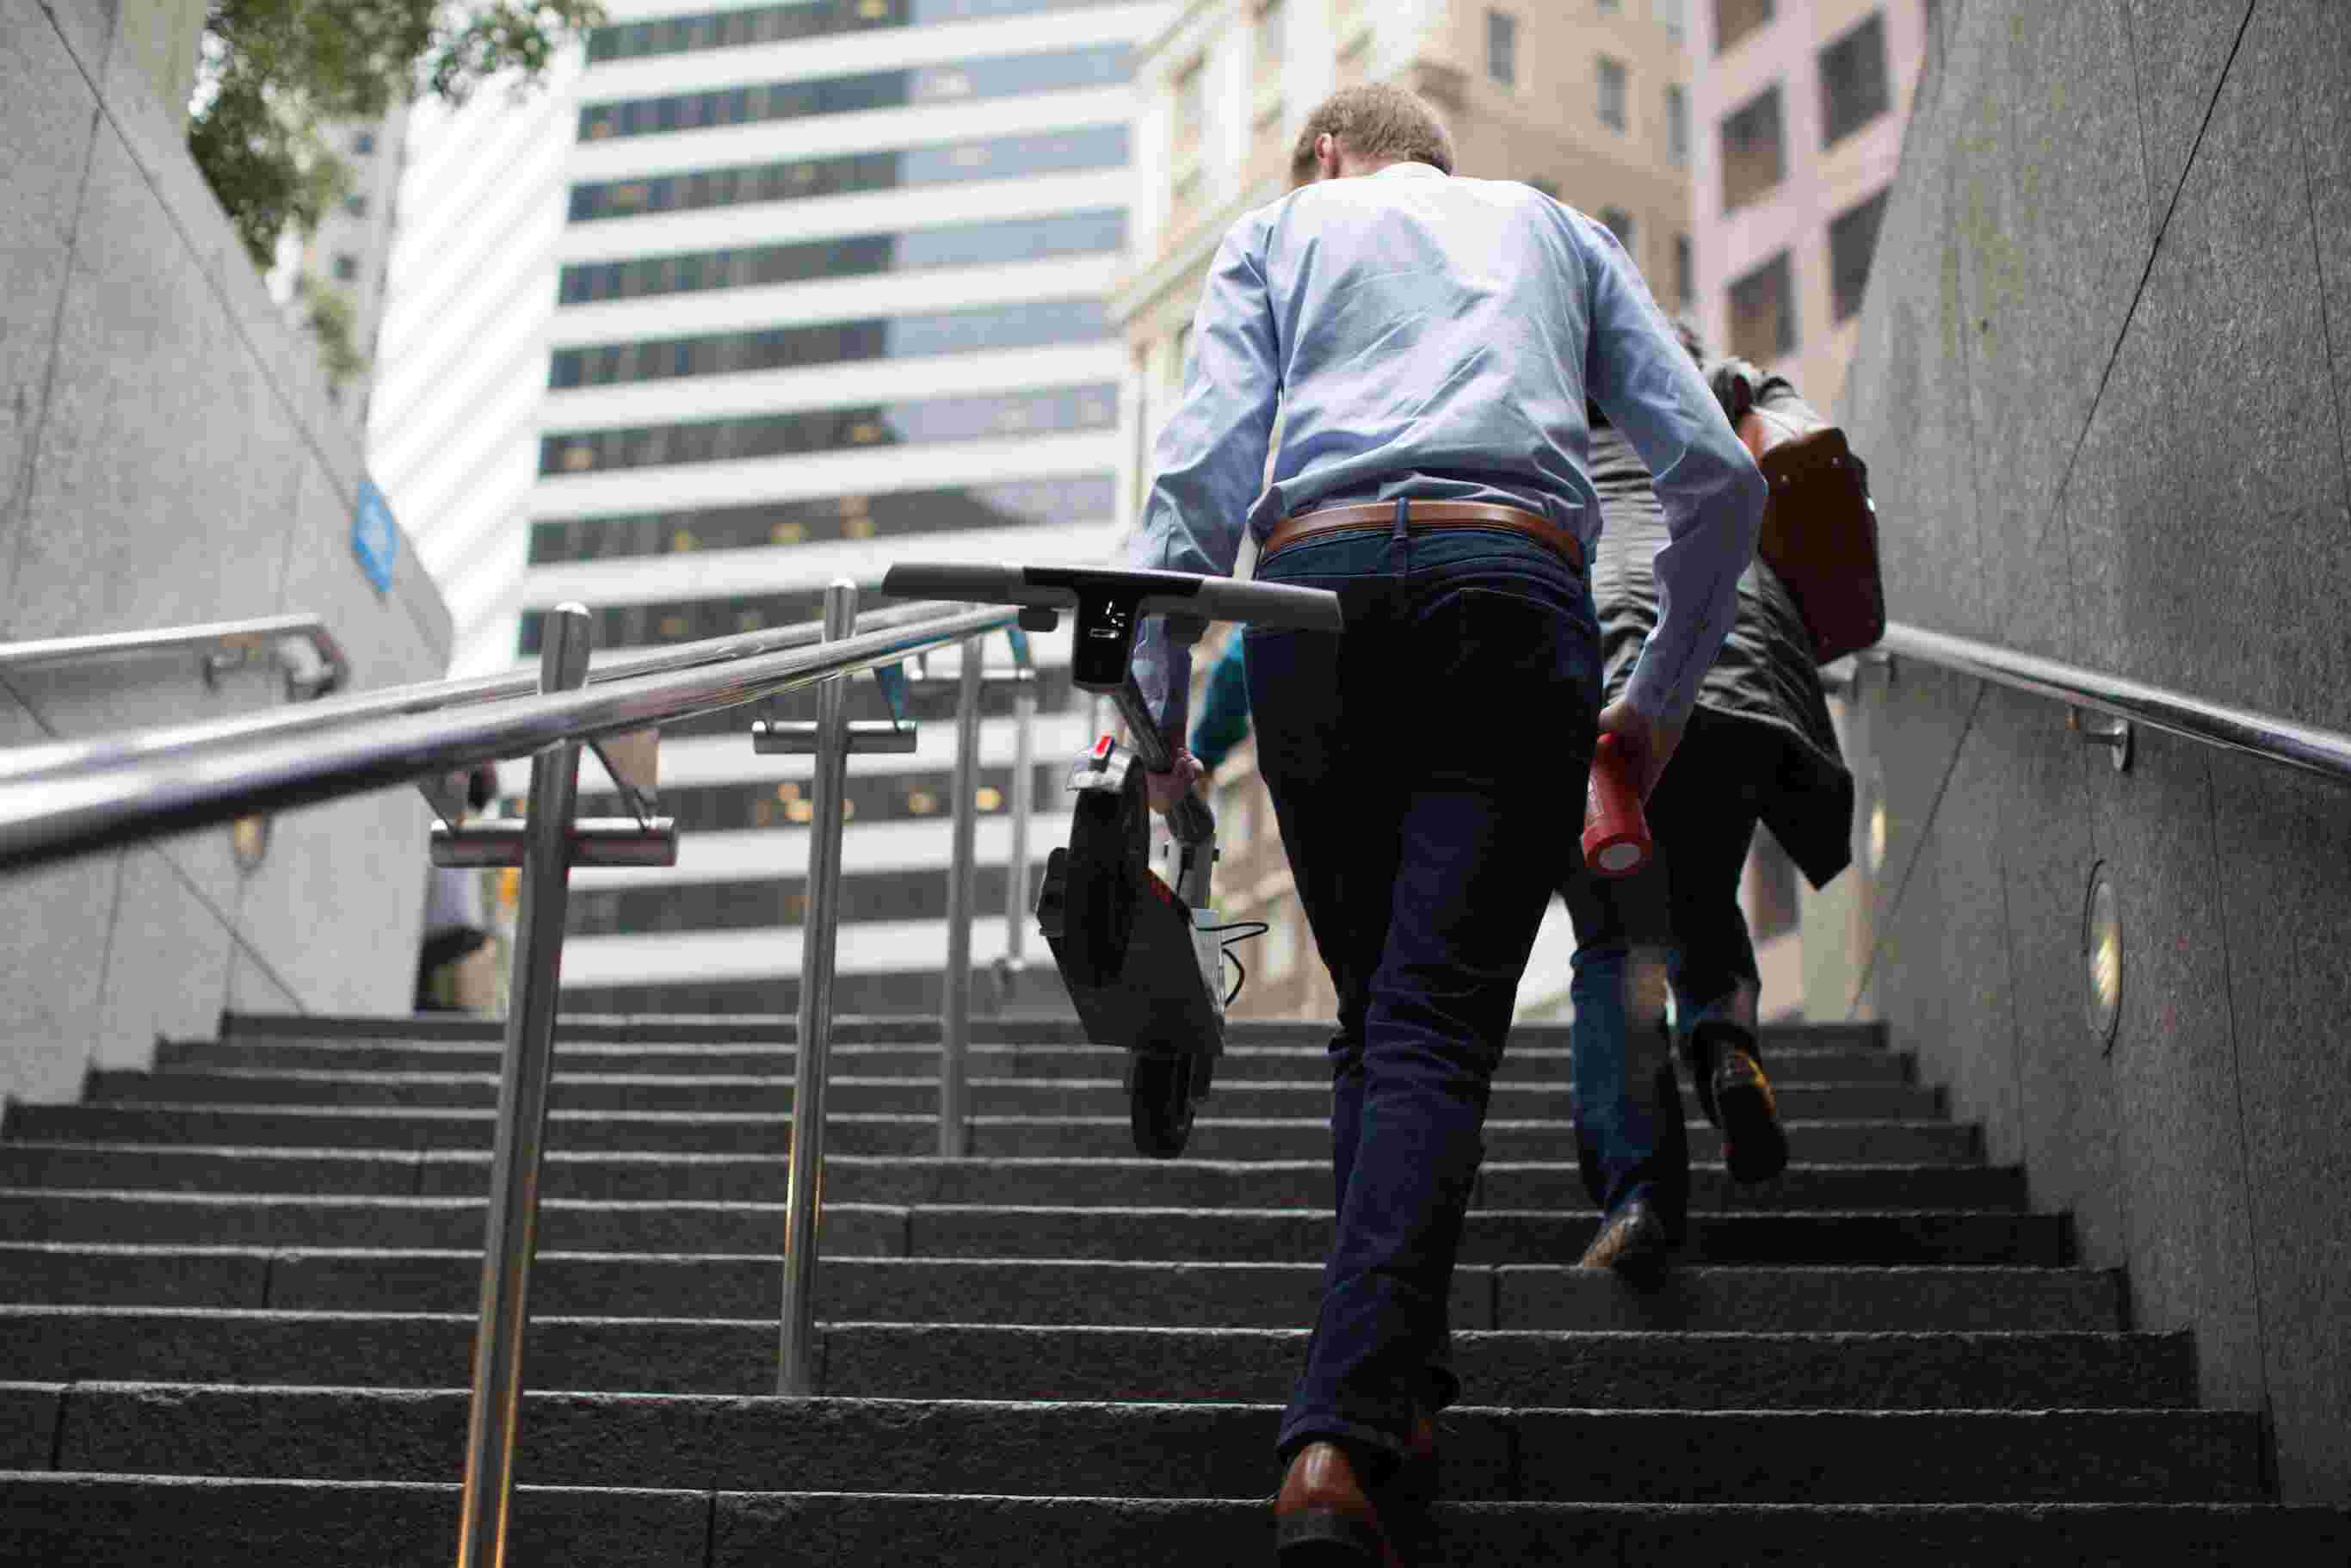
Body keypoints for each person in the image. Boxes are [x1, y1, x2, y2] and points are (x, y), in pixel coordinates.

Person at [1123, 83, 1766, 1565]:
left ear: (1332, 152)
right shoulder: (1557, 232)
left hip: (1310, 601)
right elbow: (1716, 480)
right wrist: (1657, 695)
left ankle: (1354, 1417)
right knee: (1415, 1026)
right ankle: (1367, 1409)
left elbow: (1199, 478)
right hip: (1509, 592)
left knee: (1382, 1019)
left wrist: (1158, 722)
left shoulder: (1282, 231)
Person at [1559, 325, 1857, 1281]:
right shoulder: (1711, 378)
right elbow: (1805, 440)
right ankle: (1725, 1044)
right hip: (1740, 647)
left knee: (1617, 935)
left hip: (1611, 643)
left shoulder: (1551, 393)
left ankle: (1639, 1191)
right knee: (1697, 888)